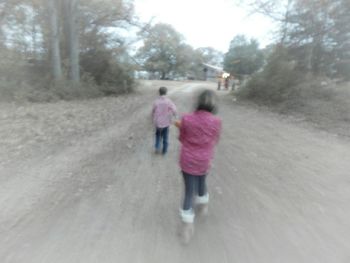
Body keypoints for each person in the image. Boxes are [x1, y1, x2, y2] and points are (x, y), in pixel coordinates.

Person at [175, 89, 222, 243]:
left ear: (198, 102)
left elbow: (182, 138)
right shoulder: (216, 122)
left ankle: (187, 225)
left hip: (187, 160)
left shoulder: (186, 119)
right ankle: (203, 205)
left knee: (189, 191)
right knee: (202, 182)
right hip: (204, 160)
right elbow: (215, 140)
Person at [152, 87, 177, 155]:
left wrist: (153, 117)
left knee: (157, 135)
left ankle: (157, 147)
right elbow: (174, 109)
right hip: (166, 123)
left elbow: (153, 110)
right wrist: (174, 114)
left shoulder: (156, 101)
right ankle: (164, 150)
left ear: (159, 93)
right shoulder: (169, 101)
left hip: (158, 123)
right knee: (165, 137)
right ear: (166, 93)